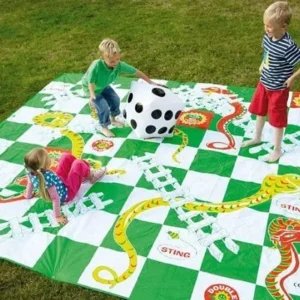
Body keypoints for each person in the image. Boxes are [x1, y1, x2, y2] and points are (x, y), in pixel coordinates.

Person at [241, 1, 300, 162]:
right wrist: (262, 64)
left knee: (277, 120)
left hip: (278, 89)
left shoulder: (288, 46)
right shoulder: (268, 37)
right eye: (265, 25)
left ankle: (277, 149)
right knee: (260, 111)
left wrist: (292, 78)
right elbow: (267, 52)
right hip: (264, 83)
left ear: (284, 26)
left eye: (270, 26)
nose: (267, 29)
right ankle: (257, 137)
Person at [82, 38, 160, 137]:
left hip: (103, 85)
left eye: (118, 59)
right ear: (103, 58)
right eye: (111, 61)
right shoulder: (96, 66)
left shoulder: (119, 65)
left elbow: (136, 72)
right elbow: (91, 81)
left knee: (115, 99)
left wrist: (150, 82)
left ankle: (113, 119)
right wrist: (92, 95)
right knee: (103, 107)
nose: (115, 63)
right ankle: (103, 126)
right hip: (92, 87)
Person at [24, 148, 106, 225]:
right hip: (67, 193)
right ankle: (91, 176)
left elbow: (30, 183)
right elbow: (55, 199)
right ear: (44, 165)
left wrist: (28, 196)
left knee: (65, 157)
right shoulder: (47, 179)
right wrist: (57, 216)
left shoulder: (31, 172)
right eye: (47, 158)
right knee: (78, 164)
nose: (49, 158)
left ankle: (81, 175)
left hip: (61, 183)